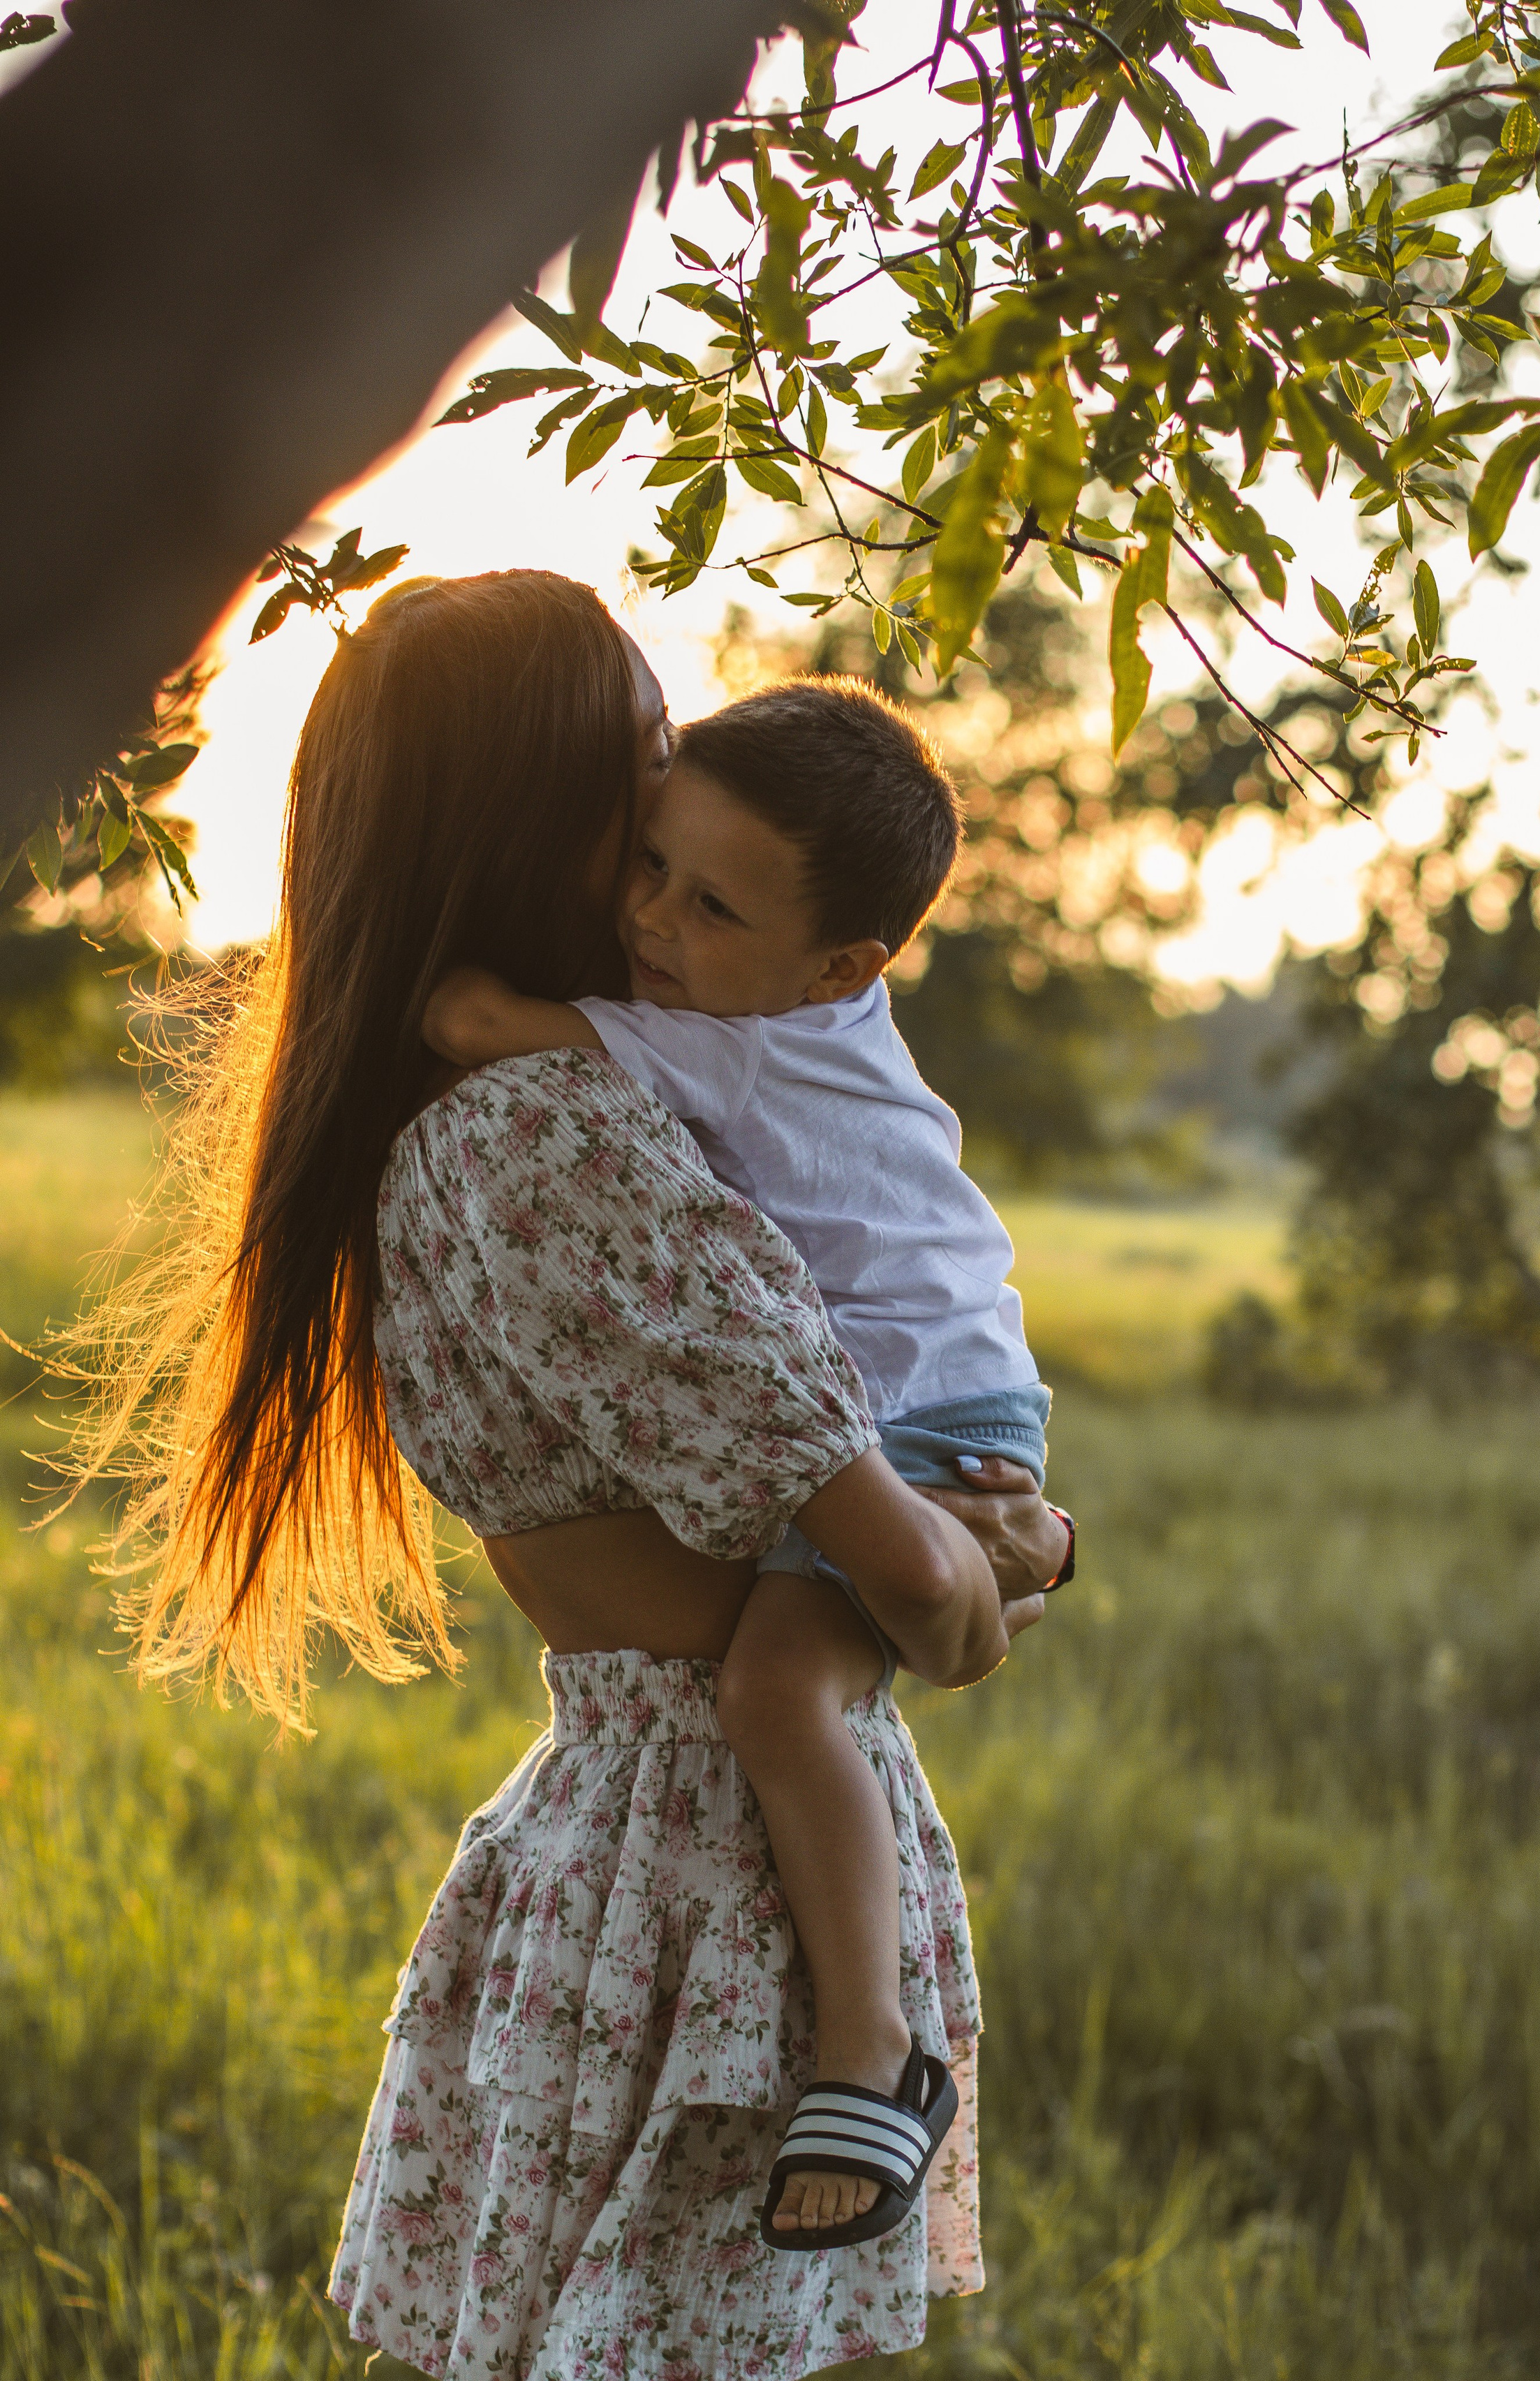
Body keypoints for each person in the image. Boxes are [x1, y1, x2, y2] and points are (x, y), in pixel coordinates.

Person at [60, 570, 1069, 2380]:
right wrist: (1020, 1551)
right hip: (706, 1852)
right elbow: (917, 1589)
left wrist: (973, 1534)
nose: (667, 829)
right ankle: (872, 2053)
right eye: (643, 769)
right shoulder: (553, 1130)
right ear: (552, 804)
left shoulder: (458, 1121)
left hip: (624, 1824)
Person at [422, 675, 1072, 2253]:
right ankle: (869, 2035)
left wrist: (411, 947)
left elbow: (481, 1023)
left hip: (921, 1417)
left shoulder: (742, 1047)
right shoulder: (764, 1003)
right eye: (648, 860)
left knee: (777, 1693)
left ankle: (872, 2046)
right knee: (796, 1683)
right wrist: (1019, 1548)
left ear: (839, 964)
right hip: (941, 1406)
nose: (650, 917)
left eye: (705, 903)